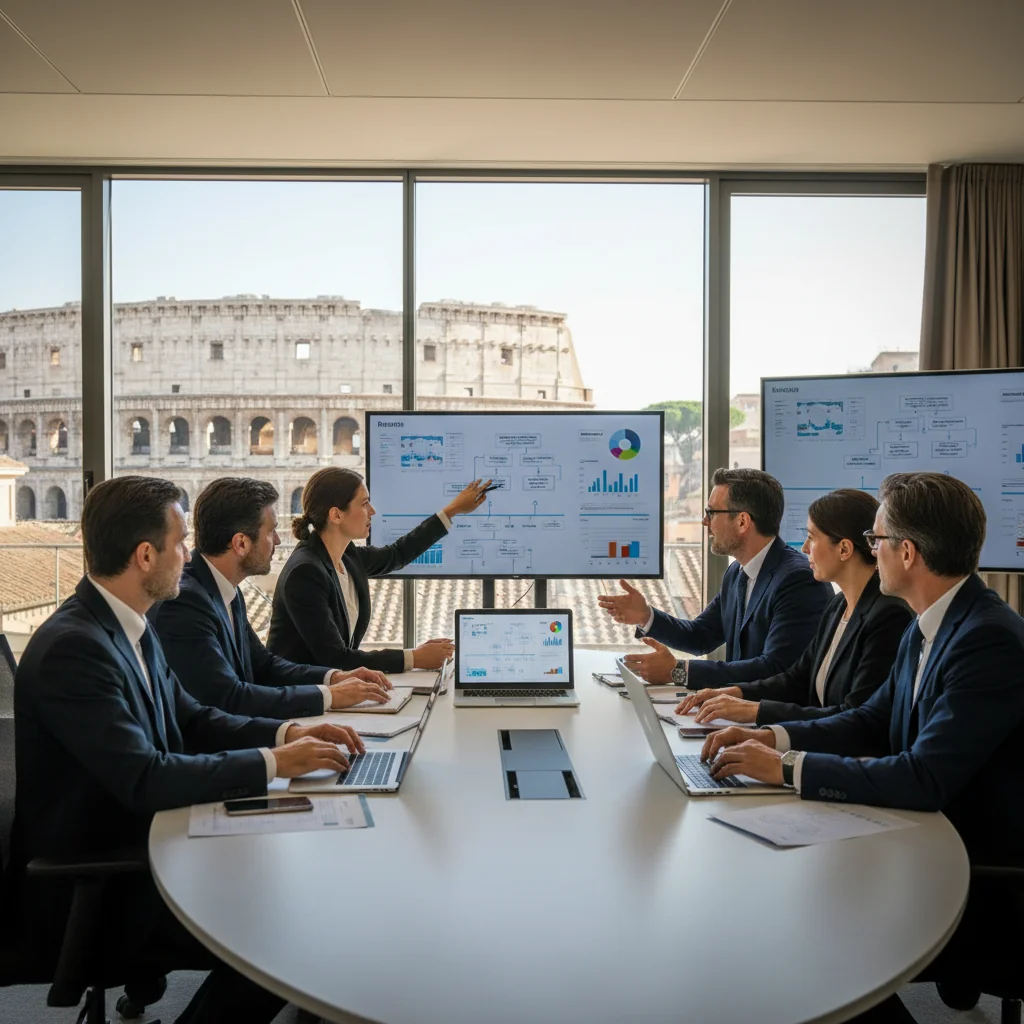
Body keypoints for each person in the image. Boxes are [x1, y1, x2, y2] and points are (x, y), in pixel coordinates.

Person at [6, 476, 367, 1024]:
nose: (189, 554)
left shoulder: (130, 625)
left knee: (309, 885)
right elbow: (145, 778)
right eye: (180, 543)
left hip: (159, 835)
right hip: (109, 875)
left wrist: (287, 736)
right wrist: (274, 763)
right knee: (290, 928)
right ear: (145, 555)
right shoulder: (74, 649)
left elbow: (194, 717)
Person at [700, 472, 1024, 1022]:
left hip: (973, 874)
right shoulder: (932, 624)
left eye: (877, 541)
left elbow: (925, 777)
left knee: (797, 932)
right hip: (915, 836)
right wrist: (771, 736)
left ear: (908, 552)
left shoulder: (985, 638)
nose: (872, 552)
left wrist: (785, 768)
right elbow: (872, 721)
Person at [151, 476, 394, 718]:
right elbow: (228, 698)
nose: (278, 540)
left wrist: (335, 678)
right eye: (271, 531)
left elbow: (264, 665)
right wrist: (329, 697)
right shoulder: (186, 603)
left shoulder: (225, 588)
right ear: (241, 543)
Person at [675, 488, 912, 725]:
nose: (805, 548)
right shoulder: (838, 606)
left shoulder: (888, 616)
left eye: (812, 537)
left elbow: (855, 717)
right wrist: (733, 693)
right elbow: (797, 678)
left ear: (844, 549)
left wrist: (756, 713)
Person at [602, 467, 832, 686]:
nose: (705, 522)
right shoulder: (737, 573)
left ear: (742, 521)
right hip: (734, 711)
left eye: (711, 513)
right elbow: (700, 636)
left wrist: (679, 671)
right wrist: (646, 616)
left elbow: (776, 668)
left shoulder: (799, 580)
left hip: (772, 720)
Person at [268, 468, 491, 672]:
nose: (372, 511)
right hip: (305, 697)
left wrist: (452, 510)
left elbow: (397, 555)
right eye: (364, 503)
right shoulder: (306, 572)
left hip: (335, 690)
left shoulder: (347, 555)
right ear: (336, 515)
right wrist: (414, 658)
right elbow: (335, 658)